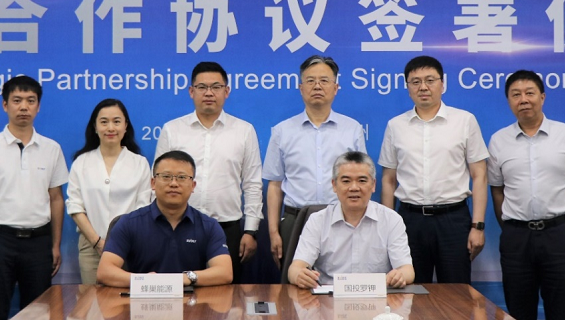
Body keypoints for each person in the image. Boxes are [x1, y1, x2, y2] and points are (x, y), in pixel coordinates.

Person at [487, 70, 565, 320]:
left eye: (530, 93)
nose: (523, 100)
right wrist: (510, 227)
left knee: (561, 317)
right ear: (509, 101)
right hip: (516, 238)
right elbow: (497, 190)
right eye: (516, 95)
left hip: (558, 235)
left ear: (542, 97)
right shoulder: (498, 141)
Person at [0, 76, 69, 320]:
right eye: (17, 100)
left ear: (38, 107)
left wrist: (55, 244)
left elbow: (56, 199)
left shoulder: (51, 149)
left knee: (39, 317)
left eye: (30, 101)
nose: (24, 107)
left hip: (39, 242)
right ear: (5, 105)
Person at [378, 56, 489, 284]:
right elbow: (388, 180)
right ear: (408, 87)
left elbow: (479, 176)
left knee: (457, 293)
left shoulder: (464, 121)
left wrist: (477, 226)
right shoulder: (395, 126)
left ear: (442, 84)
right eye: (415, 82)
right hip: (410, 221)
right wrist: (388, 228)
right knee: (411, 292)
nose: (423, 87)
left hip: (453, 220)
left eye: (430, 80)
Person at [156, 62, 262, 283]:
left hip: (227, 227)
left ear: (227, 91)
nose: (209, 93)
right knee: (177, 290)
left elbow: (252, 184)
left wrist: (250, 231)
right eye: (202, 87)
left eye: (216, 87)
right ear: (191, 91)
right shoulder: (172, 130)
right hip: (177, 225)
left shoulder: (244, 131)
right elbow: (160, 181)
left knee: (225, 295)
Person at [263, 55, 366, 266]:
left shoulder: (352, 129)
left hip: (341, 219)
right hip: (295, 220)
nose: (317, 86)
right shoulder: (282, 131)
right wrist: (274, 231)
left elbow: (362, 179)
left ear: (335, 88)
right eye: (310, 81)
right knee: (294, 281)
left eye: (324, 80)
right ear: (301, 88)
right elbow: (274, 185)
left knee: (340, 281)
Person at [97, 150, 233, 287]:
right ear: (153, 183)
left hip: (192, 298)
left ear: (193, 186)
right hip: (142, 296)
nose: (173, 183)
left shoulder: (209, 226)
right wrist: (143, 281)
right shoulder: (129, 223)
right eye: (166, 176)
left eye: (182, 177)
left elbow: (225, 272)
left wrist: (185, 278)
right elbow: (105, 272)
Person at [288, 151, 414, 289]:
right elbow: (295, 268)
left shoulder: (391, 220)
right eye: (346, 181)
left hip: (377, 296)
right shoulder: (318, 221)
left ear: (373, 185)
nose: (354, 188)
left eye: (362, 181)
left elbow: (407, 270)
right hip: (328, 297)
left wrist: (400, 275)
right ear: (334, 185)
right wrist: (299, 275)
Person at [67, 99, 151, 284]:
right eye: (104, 122)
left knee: (127, 299)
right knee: (93, 299)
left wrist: (122, 244)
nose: (110, 128)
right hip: (91, 246)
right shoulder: (81, 162)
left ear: (126, 126)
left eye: (117, 121)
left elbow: (143, 208)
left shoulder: (140, 163)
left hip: (131, 247)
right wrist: (97, 242)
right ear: (95, 127)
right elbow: (75, 207)